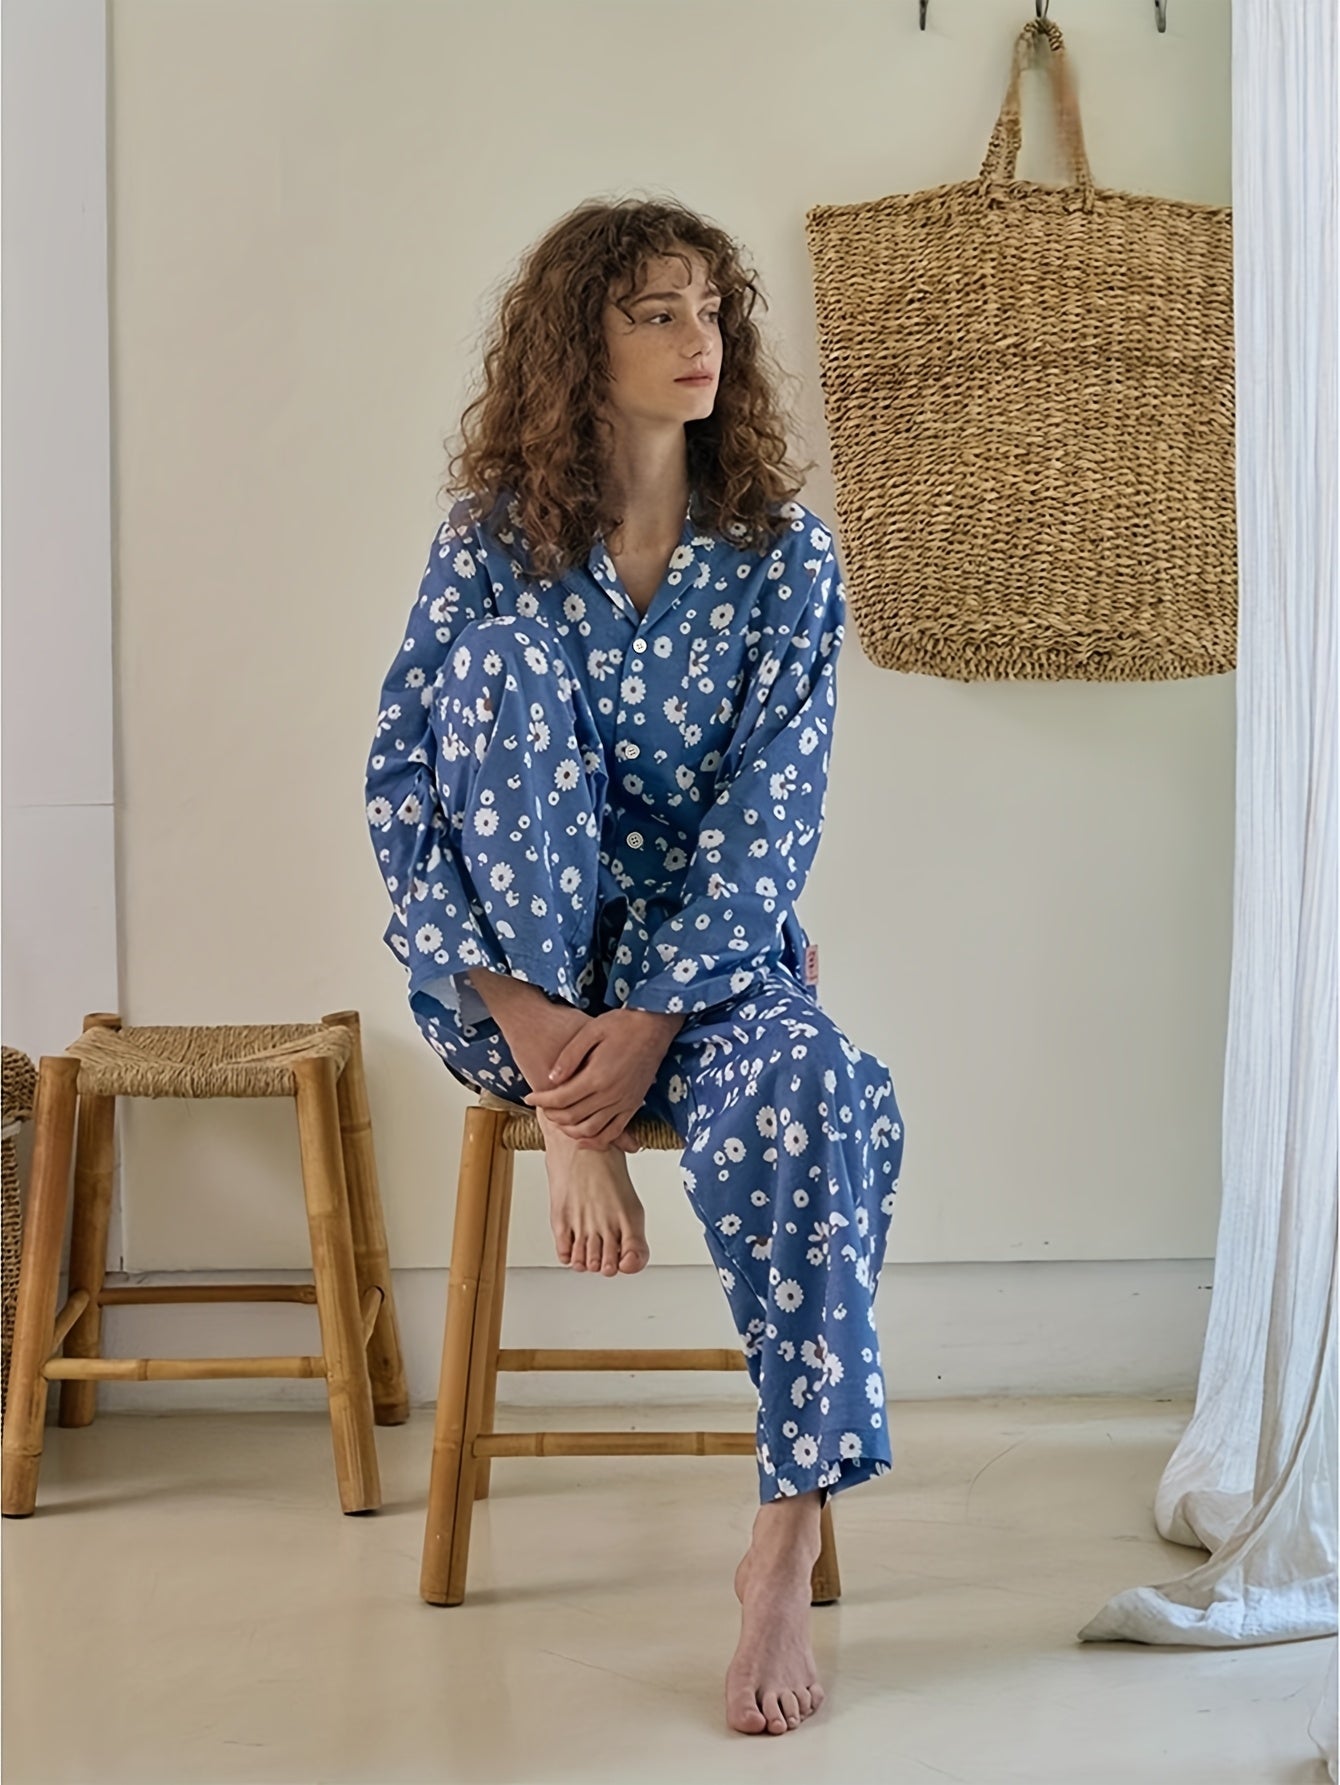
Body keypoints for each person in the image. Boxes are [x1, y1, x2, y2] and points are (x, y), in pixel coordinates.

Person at [365, 197, 905, 1737]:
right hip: (515, 992)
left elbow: (772, 809)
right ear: (576, 347)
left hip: (710, 982)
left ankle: (781, 1540)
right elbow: (404, 786)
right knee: (497, 672)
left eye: (710, 310)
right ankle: (570, 1123)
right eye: (656, 312)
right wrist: (563, 1064)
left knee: (828, 1086)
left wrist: (659, 1014)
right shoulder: (492, 544)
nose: (699, 338)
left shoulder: (784, 559)